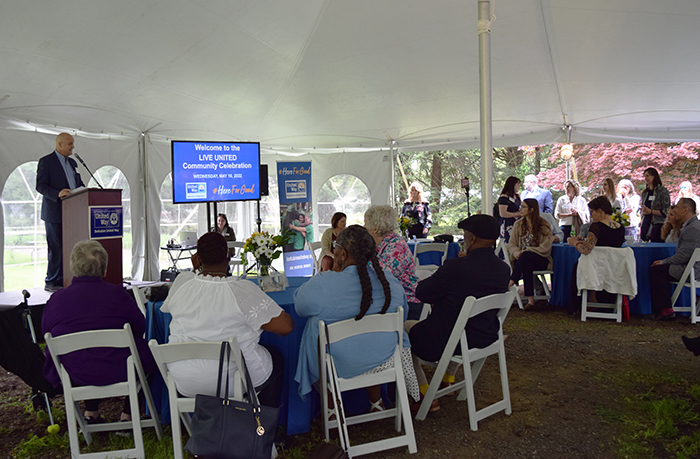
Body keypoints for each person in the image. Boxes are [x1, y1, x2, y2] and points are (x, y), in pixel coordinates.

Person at [294, 225, 419, 411]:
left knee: (314, 325)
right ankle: (376, 402)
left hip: (338, 366)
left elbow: (300, 306)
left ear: (342, 254)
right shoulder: (389, 281)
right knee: (371, 334)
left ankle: (331, 411)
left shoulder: (325, 284)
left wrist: (330, 274)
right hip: (385, 360)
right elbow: (403, 314)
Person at [162, 232, 293, 407]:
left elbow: (170, 306)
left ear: (197, 258)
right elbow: (286, 327)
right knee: (276, 357)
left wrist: (195, 270)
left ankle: (199, 426)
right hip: (233, 381)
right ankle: (261, 429)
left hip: (184, 379)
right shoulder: (242, 290)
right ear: (228, 255)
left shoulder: (182, 282)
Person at [42, 240, 153, 424]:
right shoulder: (117, 295)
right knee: (148, 354)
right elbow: (141, 327)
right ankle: (128, 416)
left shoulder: (58, 300)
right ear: (104, 268)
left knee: (85, 355)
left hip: (75, 373)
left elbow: (45, 331)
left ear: (73, 267)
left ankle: (90, 413)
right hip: (119, 369)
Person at [406, 214, 509, 412]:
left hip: (449, 341)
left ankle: (423, 391)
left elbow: (422, 292)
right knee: (458, 325)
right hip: (485, 336)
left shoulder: (456, 267)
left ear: (473, 238)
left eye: (465, 236)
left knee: (403, 331)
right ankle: (448, 379)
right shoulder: (503, 269)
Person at [35, 133, 85, 292]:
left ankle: (68, 279)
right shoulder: (46, 162)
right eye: (70, 144)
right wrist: (57, 193)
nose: (73, 147)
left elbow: (78, 183)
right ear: (60, 144)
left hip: (72, 213)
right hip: (54, 213)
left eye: (73, 143)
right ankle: (52, 281)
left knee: (71, 247)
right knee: (56, 248)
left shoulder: (72, 162)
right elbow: (40, 186)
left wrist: (86, 190)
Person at [566, 196, 625, 314]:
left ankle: (576, 305)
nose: (591, 216)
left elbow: (586, 250)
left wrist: (575, 243)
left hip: (597, 266)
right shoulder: (620, 227)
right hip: (614, 267)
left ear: (600, 211)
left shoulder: (596, 226)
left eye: (592, 212)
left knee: (576, 266)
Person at [364, 205, 422, 320]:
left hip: (407, 301)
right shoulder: (379, 243)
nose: (363, 227)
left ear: (375, 228)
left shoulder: (396, 245)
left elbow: (381, 276)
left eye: (365, 223)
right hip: (388, 298)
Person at [649, 198, 700, 320]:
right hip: (692, 267)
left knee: (657, 270)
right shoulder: (692, 225)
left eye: (677, 207)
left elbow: (684, 256)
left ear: (686, 210)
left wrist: (663, 261)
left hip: (692, 270)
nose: (675, 209)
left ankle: (665, 309)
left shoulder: (692, 228)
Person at [507, 199, 553, 310]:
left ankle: (511, 281)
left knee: (527, 255)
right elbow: (511, 244)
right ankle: (531, 300)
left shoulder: (543, 225)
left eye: (523, 207)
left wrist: (527, 251)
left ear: (531, 210)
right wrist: (517, 252)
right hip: (523, 259)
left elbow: (545, 247)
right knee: (527, 264)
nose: (520, 209)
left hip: (540, 258)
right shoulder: (518, 225)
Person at [640, 167, 671, 242]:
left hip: (659, 224)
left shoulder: (662, 191)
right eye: (645, 176)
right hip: (646, 222)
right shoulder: (645, 193)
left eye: (647, 176)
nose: (645, 178)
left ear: (653, 176)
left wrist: (651, 211)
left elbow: (666, 211)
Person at [497, 176, 522, 243]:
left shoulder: (517, 196)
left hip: (516, 222)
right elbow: (503, 213)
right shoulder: (504, 197)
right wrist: (518, 213)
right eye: (517, 184)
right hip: (507, 223)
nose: (519, 186)